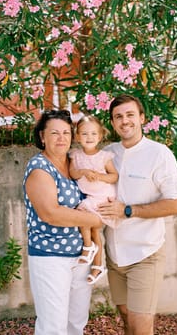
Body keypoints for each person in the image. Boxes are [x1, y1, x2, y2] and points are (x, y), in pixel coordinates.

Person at [98, 95, 177, 335]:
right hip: (114, 256)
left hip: (145, 254)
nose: (124, 121)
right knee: (126, 319)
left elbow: (176, 204)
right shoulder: (107, 154)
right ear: (113, 123)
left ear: (142, 118)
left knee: (140, 327)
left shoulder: (160, 154)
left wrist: (128, 210)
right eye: (118, 117)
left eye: (130, 115)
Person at [22, 109, 102, 335]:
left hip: (81, 255)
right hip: (50, 257)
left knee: (76, 323)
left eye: (66, 133)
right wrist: (94, 219)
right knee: (53, 328)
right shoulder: (39, 168)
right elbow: (51, 213)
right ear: (42, 137)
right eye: (54, 133)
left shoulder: (74, 162)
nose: (61, 138)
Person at [69, 115, 119, 285]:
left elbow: (114, 177)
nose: (89, 138)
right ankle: (98, 266)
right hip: (90, 196)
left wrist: (99, 176)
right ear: (77, 136)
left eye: (93, 134)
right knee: (93, 230)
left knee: (81, 216)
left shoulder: (104, 156)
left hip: (103, 197)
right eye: (84, 134)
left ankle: (88, 247)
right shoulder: (75, 155)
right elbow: (73, 174)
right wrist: (83, 171)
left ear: (100, 136)